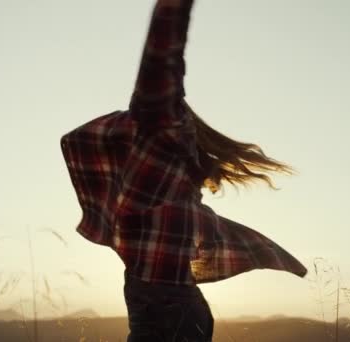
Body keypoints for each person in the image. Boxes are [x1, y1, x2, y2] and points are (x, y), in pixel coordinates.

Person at [60, 0, 307, 340]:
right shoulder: (156, 148)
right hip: (169, 304)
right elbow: (160, 62)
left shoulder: (157, 149)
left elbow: (161, 60)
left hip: (167, 303)